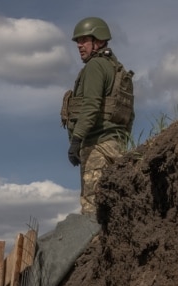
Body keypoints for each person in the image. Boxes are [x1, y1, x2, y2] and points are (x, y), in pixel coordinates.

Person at [61, 16, 134, 215]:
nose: (79, 45)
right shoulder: (117, 70)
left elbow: (91, 106)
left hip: (97, 146)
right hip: (116, 146)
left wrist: (76, 140)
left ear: (99, 41)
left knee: (92, 210)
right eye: (78, 41)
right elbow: (128, 114)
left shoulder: (95, 66)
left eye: (84, 40)